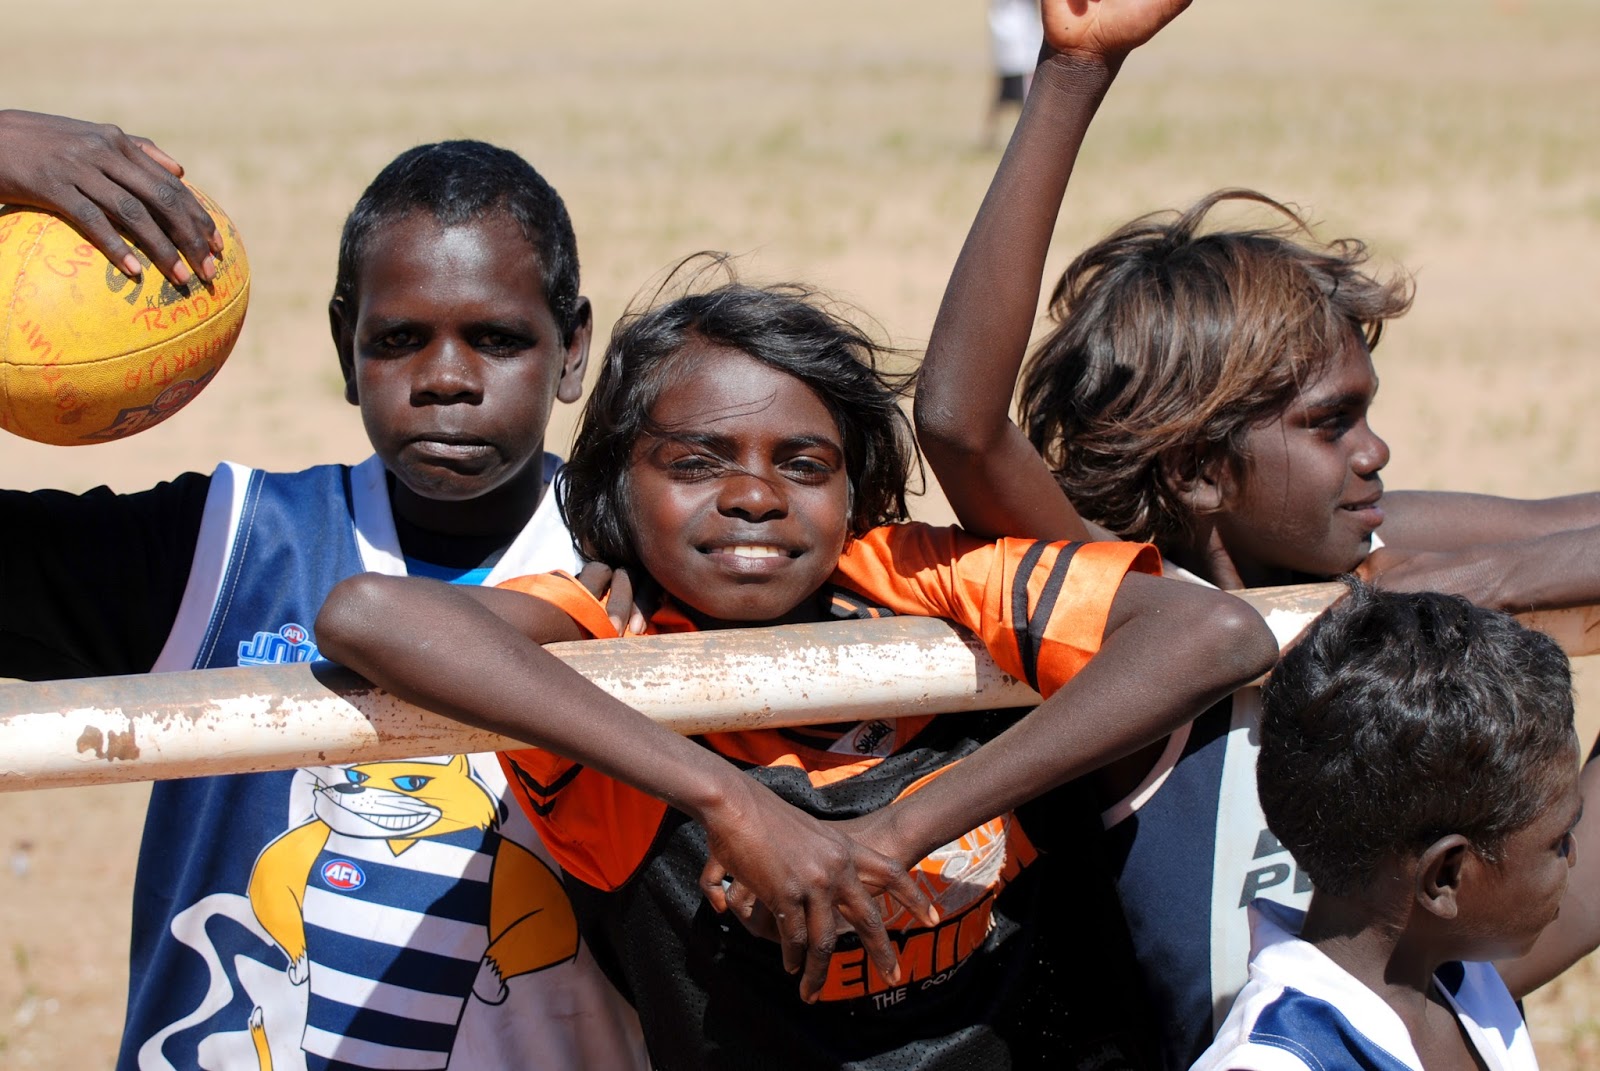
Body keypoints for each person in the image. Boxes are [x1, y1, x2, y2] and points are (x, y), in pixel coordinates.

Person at [315, 264, 1281, 1070]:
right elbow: (369, 615)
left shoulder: (917, 576)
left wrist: (908, 827)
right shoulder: (613, 637)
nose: (752, 496)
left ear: (855, 488)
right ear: (614, 480)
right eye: (695, 462)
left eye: (804, 465)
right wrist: (730, 804)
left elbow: (1217, 636)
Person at [911, 0, 1600, 1066]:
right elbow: (960, 427)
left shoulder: (1375, 551)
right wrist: (1071, 70)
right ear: (1194, 470)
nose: (1374, 452)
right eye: (1330, 424)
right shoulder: (1128, 609)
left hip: (1446, 996)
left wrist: (1481, 575)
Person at [0, 113, 648, 1070]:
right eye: (399, 338)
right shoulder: (227, 551)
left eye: (498, 338)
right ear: (346, 344)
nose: (446, 379)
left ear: (572, 349)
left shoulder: (647, 561)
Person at [1192, 583, 1579, 1071]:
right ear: (1445, 876)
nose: (1575, 856)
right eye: (1559, 841)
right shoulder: (1274, 1061)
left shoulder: (1455, 980)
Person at [982, 0, 1043, 150]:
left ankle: (991, 137)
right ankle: (1029, 139)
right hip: (1018, 34)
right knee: (1024, 92)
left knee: (1006, 90)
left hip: (1010, 32)